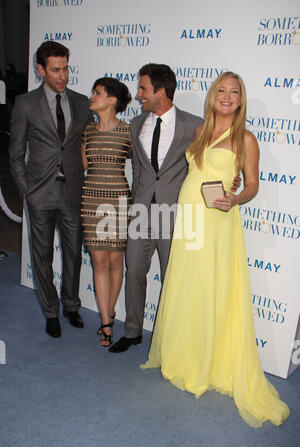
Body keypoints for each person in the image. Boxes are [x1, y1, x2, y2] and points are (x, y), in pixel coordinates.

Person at [140, 72, 290, 427]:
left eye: (234, 92)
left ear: (241, 100)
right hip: (189, 217)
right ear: (212, 96)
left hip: (219, 221)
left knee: (212, 290)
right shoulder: (199, 132)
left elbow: (252, 184)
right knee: (187, 287)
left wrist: (236, 197)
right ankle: (183, 356)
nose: (226, 96)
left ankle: (208, 362)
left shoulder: (247, 140)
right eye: (221, 90)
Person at [109, 63, 239, 353]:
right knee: (135, 273)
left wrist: (234, 178)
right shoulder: (136, 124)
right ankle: (132, 332)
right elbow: (140, 170)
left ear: (161, 91)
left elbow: (213, 161)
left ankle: (172, 338)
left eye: (143, 88)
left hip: (179, 216)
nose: (139, 94)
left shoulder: (194, 125)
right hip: (141, 213)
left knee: (175, 278)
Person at [9, 41, 90, 338]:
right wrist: (26, 190)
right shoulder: (25, 104)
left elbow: (89, 143)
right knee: (41, 256)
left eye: (66, 68)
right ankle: (50, 311)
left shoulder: (82, 103)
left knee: (73, 254)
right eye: (55, 70)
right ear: (40, 69)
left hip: (72, 192)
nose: (63, 76)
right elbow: (16, 153)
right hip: (39, 193)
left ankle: (71, 305)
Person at [81, 77, 132, 347]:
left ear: (112, 100)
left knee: (115, 263)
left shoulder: (128, 131)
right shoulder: (87, 131)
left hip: (119, 202)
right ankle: (105, 321)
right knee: (99, 262)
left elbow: (149, 167)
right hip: (91, 201)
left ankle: (109, 314)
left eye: (98, 93)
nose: (92, 96)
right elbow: (82, 166)